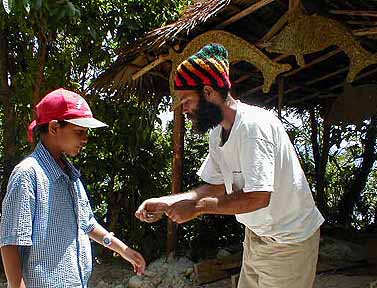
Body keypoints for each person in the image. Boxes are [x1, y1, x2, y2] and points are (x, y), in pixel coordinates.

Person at [135, 44, 324, 288]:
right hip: (257, 237)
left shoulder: (254, 128)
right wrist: (168, 202)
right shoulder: (218, 132)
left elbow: (258, 197)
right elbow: (216, 186)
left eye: (187, 100)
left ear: (208, 91)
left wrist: (197, 207)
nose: (184, 109)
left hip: (289, 242)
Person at [0, 88, 145, 288]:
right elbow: (11, 241)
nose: (85, 139)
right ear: (53, 128)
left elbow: (87, 224)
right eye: (79, 132)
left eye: (86, 133)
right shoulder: (27, 174)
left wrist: (123, 250)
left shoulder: (71, 175)